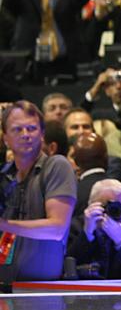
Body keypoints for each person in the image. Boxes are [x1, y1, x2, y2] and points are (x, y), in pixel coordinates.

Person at [0, 101, 77, 280]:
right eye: (17, 129)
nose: (25, 135)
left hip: (41, 292)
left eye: (32, 128)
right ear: (5, 138)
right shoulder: (4, 174)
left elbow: (57, 229)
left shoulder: (56, 166)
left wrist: (4, 224)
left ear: (42, 134)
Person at [67, 179, 121, 279]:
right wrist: (87, 234)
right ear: (90, 204)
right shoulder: (74, 227)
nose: (108, 211)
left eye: (116, 207)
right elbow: (66, 268)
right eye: (103, 206)